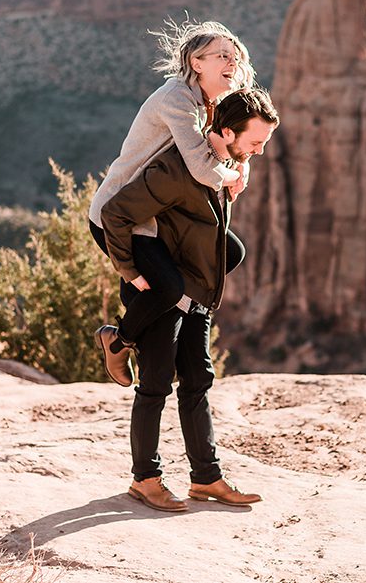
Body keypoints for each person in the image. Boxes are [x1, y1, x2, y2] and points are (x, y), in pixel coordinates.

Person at [100, 87, 279, 512]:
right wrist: (132, 272)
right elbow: (115, 213)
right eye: (255, 142)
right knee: (156, 383)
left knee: (198, 379)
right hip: (162, 291)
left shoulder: (222, 164)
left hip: (194, 289)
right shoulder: (178, 169)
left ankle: (207, 479)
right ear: (227, 130)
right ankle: (145, 479)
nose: (259, 151)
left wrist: (238, 166)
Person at [88, 20, 255, 387]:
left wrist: (240, 165)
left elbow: (236, 139)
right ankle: (118, 340)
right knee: (167, 287)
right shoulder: (176, 98)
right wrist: (231, 177)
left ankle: (170, 309)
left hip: (157, 216)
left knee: (231, 251)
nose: (233, 62)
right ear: (197, 63)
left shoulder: (210, 103)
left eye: (236, 56)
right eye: (222, 55)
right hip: (120, 216)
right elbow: (200, 168)